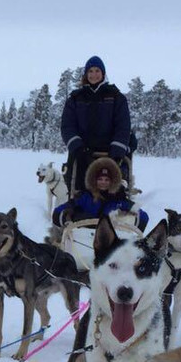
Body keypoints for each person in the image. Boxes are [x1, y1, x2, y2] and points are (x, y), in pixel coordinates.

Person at [60, 55, 133, 196]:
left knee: (115, 188)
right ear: (86, 74)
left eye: (97, 71)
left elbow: (123, 125)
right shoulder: (75, 98)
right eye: (90, 71)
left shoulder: (116, 97)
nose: (94, 74)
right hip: (83, 150)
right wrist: (77, 147)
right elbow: (67, 126)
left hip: (111, 150)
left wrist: (117, 151)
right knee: (78, 187)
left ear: (103, 73)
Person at [51, 157, 148, 231]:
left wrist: (131, 229)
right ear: (94, 180)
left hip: (109, 241)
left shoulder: (119, 200)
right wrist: (67, 219)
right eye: (100, 179)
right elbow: (58, 212)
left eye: (107, 180)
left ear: (112, 181)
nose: (103, 182)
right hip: (83, 237)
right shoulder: (84, 197)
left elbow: (143, 216)